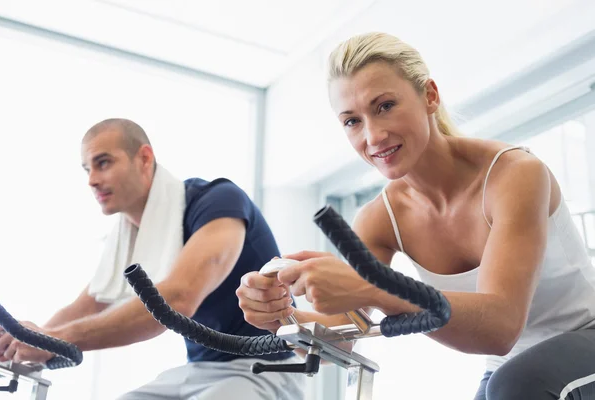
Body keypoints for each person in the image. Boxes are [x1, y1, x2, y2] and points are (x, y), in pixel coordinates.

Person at [236, 32, 595, 399]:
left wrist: (373, 288)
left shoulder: (515, 174)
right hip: (507, 369)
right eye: (352, 121)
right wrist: (283, 319)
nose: (373, 136)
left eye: (385, 105)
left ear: (430, 96)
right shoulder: (379, 219)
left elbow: (501, 327)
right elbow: (344, 337)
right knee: (508, 384)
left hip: (584, 336)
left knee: (515, 386)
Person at [0, 118, 304, 400]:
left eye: (103, 163)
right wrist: (19, 342)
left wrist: (51, 340)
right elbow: (89, 303)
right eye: (87, 169)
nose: (92, 180)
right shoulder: (130, 236)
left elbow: (176, 301)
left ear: (144, 158)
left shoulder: (218, 201)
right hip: (199, 371)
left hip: (265, 370)